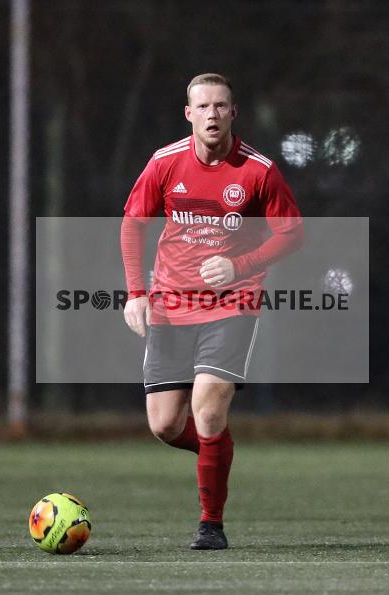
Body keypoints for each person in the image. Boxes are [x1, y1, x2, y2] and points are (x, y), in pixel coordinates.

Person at [120, 73, 303, 550]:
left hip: (233, 304)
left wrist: (241, 264)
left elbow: (292, 233)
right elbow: (132, 225)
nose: (212, 115)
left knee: (207, 409)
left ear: (233, 112)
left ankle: (211, 524)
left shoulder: (258, 170)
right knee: (164, 425)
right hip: (170, 304)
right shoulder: (165, 163)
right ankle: (217, 451)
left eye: (220, 106)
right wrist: (136, 292)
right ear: (189, 114)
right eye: (203, 107)